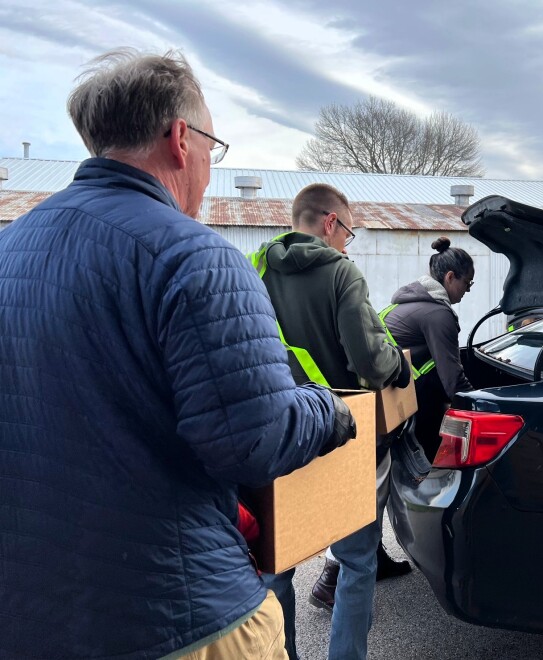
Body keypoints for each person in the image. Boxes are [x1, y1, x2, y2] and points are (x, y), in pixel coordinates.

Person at [0, 49, 355, 660]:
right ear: (179, 137)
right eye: (213, 151)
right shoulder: (196, 256)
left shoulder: (10, 249)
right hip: (179, 618)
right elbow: (253, 441)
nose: (211, 174)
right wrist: (330, 410)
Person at [251, 182, 411, 660]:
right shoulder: (341, 273)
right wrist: (399, 364)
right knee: (358, 561)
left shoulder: (253, 267)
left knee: (277, 566)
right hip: (343, 432)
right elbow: (371, 361)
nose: (347, 241)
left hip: (277, 429)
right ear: (329, 223)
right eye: (348, 231)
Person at [380, 237, 475, 460]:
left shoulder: (412, 301)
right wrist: (482, 404)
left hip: (385, 392)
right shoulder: (438, 314)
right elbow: (453, 381)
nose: (468, 291)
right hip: (398, 397)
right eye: (468, 283)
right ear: (450, 277)